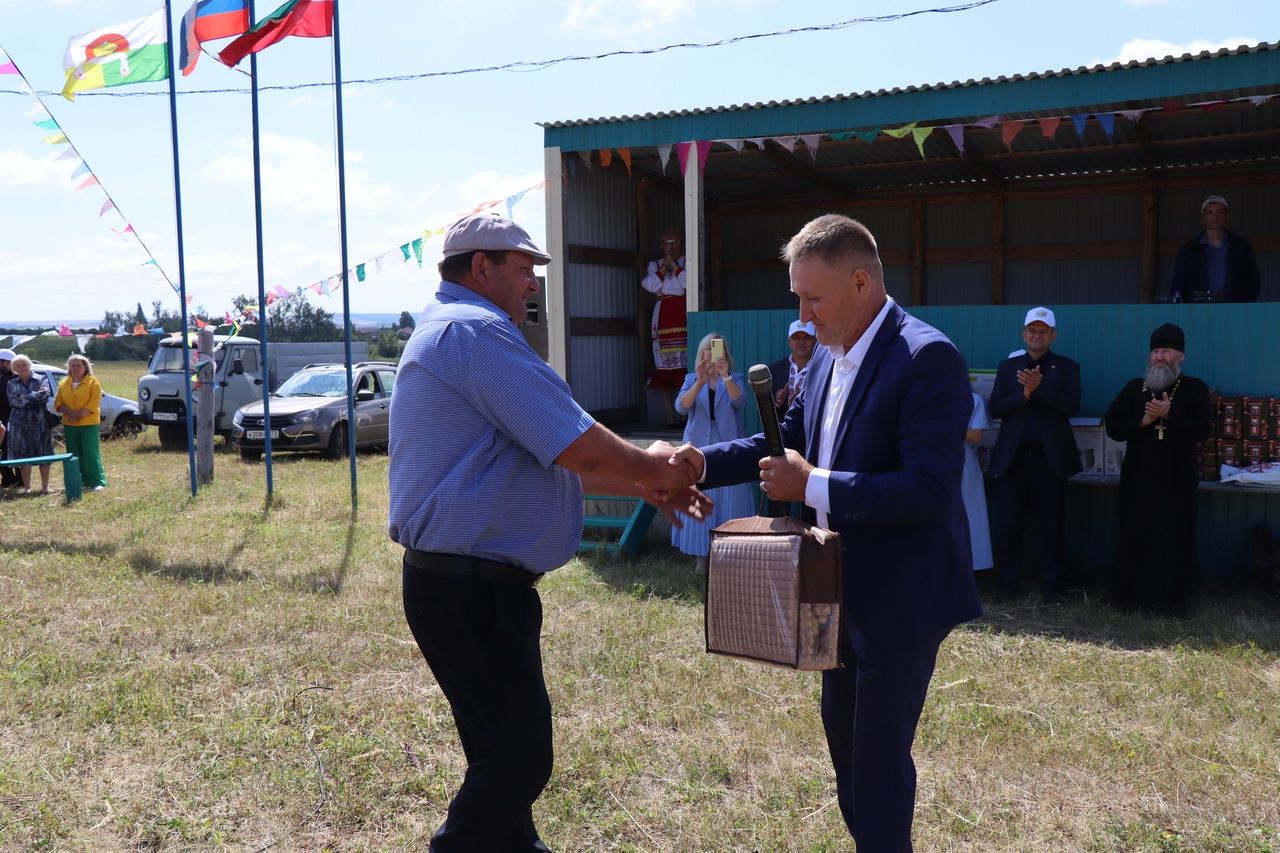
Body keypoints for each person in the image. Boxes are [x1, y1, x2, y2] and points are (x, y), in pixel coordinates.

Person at [388, 212, 707, 853]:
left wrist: (641, 480)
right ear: (482, 267)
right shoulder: (476, 333)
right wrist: (653, 469)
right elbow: (577, 447)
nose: (533, 282)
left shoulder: (453, 329)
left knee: (499, 752)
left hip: (463, 585)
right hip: (473, 590)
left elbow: (538, 457)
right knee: (519, 757)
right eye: (523, 267)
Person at [663, 214, 981, 850]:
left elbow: (928, 490)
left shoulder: (927, 358)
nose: (804, 316)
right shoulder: (829, 360)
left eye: (813, 298)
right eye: (798, 299)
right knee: (847, 757)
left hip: (900, 597)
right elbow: (787, 444)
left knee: (879, 766)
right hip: (836, 589)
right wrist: (699, 461)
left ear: (860, 282)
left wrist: (810, 486)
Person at [1104, 324, 1212, 615]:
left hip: (1177, 479)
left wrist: (1170, 414)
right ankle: (1129, 598)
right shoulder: (1133, 388)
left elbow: (1201, 430)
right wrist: (1141, 422)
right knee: (1134, 533)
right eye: (1155, 351)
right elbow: (1112, 425)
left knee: (1171, 538)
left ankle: (1170, 601)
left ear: (1180, 356)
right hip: (1138, 477)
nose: (1158, 356)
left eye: (1165, 351)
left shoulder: (1195, 389)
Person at [987, 307, 1081, 601]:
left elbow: (1071, 406)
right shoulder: (1008, 366)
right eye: (1031, 330)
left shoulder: (1067, 367)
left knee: (1052, 527)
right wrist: (1024, 396)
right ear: (1023, 333)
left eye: (1043, 331)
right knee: (1009, 526)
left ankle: (1053, 590)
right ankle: (1007, 587)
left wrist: (1039, 389)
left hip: (1049, 462)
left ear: (1053, 335)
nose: (1036, 335)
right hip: (1013, 461)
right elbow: (996, 408)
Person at [672, 333, 756, 573]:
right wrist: (699, 381)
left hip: (729, 445)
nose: (712, 352)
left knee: (731, 499)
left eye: (717, 348)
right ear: (702, 352)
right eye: (708, 348)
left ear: (724, 352)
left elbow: (740, 401)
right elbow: (681, 407)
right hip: (698, 446)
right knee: (701, 500)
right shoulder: (690, 379)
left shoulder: (734, 377)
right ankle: (702, 558)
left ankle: (732, 555)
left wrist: (725, 375)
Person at [1169, 195, 1260, 303]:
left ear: (1228, 216)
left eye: (1219, 212)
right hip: (1197, 312)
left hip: (1234, 311)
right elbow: (1177, 285)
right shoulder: (1189, 250)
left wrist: (1244, 307)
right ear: (1203, 218)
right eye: (1210, 212)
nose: (1215, 216)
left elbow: (1253, 280)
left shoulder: (1240, 246)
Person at [640, 227, 687, 427]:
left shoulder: (686, 262)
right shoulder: (654, 265)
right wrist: (663, 269)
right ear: (661, 246)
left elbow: (685, 283)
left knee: (683, 366)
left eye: (675, 242)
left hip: (681, 314)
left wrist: (674, 268)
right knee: (664, 368)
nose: (671, 247)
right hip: (662, 317)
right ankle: (669, 415)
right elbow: (649, 286)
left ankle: (684, 413)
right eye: (667, 243)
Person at [54, 353, 107, 492]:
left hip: (89, 423)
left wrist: (79, 415)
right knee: (74, 453)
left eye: (78, 365)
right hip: (69, 424)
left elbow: (94, 401)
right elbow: (58, 403)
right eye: (73, 365)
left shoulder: (92, 382)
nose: (75, 368)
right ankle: (82, 481)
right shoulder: (63, 383)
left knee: (90, 452)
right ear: (69, 368)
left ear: (85, 367)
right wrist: (70, 413)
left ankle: (97, 481)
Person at [6, 354, 54, 494]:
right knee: (24, 454)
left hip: (40, 422)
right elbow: (14, 402)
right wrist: (34, 396)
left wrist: (25, 397)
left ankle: (45, 487)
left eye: (24, 364)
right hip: (19, 424)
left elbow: (44, 396)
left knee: (44, 454)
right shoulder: (11, 383)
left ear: (29, 365)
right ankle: (27, 487)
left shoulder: (41, 378)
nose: (22, 368)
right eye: (18, 366)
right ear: (14, 369)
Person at [963, 391, 994, 572]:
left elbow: (975, 436)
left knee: (969, 516)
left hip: (964, 463)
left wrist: (947, 425)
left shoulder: (973, 399)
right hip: (931, 461)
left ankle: (967, 571)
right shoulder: (925, 396)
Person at [767, 319, 817, 422]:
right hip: (784, 434)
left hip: (812, 431)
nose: (801, 342)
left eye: (807, 337)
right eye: (796, 337)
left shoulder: (822, 369)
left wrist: (802, 402)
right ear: (789, 341)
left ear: (814, 341)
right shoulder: (774, 370)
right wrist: (777, 402)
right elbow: (766, 411)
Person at [0, 348, 19, 488]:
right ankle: (8, 479)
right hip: (3, 420)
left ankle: (17, 480)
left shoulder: (14, 379)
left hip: (13, 421)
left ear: (7, 363)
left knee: (14, 451)